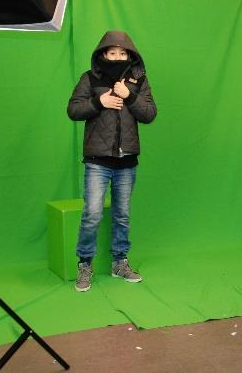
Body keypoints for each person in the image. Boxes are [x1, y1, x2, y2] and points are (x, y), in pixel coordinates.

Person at [67, 30, 157, 292]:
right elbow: (73, 109)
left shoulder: (139, 82)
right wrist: (99, 101)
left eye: (122, 52)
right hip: (97, 161)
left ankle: (120, 262)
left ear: (130, 55)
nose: (117, 56)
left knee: (122, 215)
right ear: (102, 54)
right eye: (112, 52)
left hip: (127, 161)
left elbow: (150, 114)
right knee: (92, 213)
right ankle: (85, 264)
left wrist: (129, 95)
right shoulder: (90, 78)